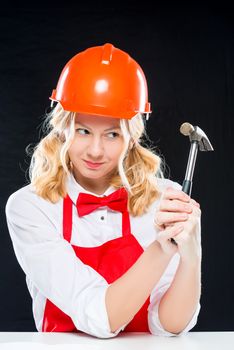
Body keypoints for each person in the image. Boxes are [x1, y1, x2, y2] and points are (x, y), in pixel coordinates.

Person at [5, 43, 202, 339]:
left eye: (112, 134)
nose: (95, 151)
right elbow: (99, 317)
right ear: (62, 130)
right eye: (83, 131)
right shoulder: (31, 207)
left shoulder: (165, 199)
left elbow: (169, 325)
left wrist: (191, 253)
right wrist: (160, 249)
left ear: (132, 139)